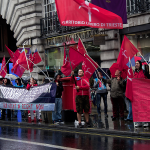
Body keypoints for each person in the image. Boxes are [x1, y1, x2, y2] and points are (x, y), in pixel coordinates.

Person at [133, 60, 147, 127]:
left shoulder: (144, 72)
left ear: (140, 64)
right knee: (138, 108)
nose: (136, 64)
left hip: (144, 93)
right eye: (135, 63)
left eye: (137, 63)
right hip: (137, 93)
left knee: (144, 107)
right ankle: (139, 122)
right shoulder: (134, 72)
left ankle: (145, 122)